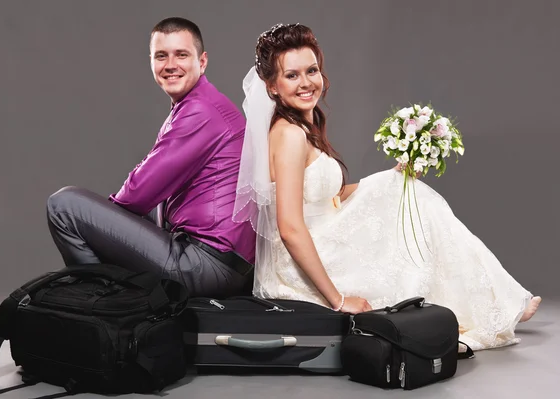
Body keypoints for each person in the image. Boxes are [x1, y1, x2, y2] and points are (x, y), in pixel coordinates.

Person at [232, 23, 541, 351]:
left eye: (312, 70)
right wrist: (337, 300)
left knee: (409, 195)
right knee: (418, 214)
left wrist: (392, 176)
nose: (307, 83)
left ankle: (496, 301)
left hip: (324, 235)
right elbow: (291, 228)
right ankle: (496, 303)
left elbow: (327, 196)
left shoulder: (302, 125)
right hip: (305, 261)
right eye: (292, 75)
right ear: (272, 87)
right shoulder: (290, 135)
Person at [47, 17, 255, 298]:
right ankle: (113, 305)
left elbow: (137, 194)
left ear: (202, 62)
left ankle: (105, 310)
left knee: (64, 206)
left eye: (181, 55)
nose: (170, 65)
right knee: (114, 219)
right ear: (151, 62)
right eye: (161, 56)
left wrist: (101, 228)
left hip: (207, 265)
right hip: (221, 263)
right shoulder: (198, 105)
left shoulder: (201, 111)